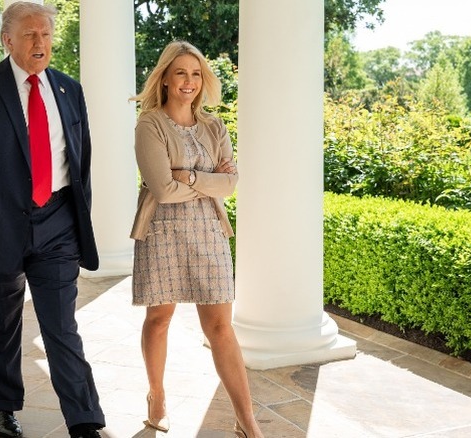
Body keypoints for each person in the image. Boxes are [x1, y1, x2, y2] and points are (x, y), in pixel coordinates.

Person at [0, 3, 105, 437]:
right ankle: (2, 406)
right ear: (7, 40)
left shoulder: (70, 89)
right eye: (30, 34)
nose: (40, 43)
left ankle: (85, 420)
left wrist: (79, 219)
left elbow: (80, 159)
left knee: (62, 327)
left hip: (57, 224)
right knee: (0, 324)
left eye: (46, 34)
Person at [129, 40, 264, 438]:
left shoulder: (214, 125)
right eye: (181, 72)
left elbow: (231, 184)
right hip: (162, 233)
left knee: (220, 327)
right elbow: (163, 190)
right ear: (166, 79)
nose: (189, 81)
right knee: (159, 318)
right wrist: (207, 181)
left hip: (208, 231)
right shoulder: (149, 124)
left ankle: (247, 421)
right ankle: (157, 397)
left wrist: (187, 176)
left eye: (195, 73)